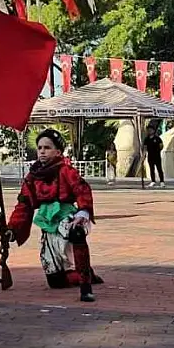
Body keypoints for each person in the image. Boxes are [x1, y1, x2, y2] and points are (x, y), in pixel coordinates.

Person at [8, 129, 102, 302]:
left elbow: (82, 189)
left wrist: (83, 211)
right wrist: (12, 229)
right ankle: (84, 272)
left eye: (47, 147)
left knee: (76, 232)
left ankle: (85, 285)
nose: (42, 151)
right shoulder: (32, 176)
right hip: (48, 223)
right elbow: (24, 204)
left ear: (58, 152)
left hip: (68, 216)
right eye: (40, 147)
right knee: (56, 281)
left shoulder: (66, 170)